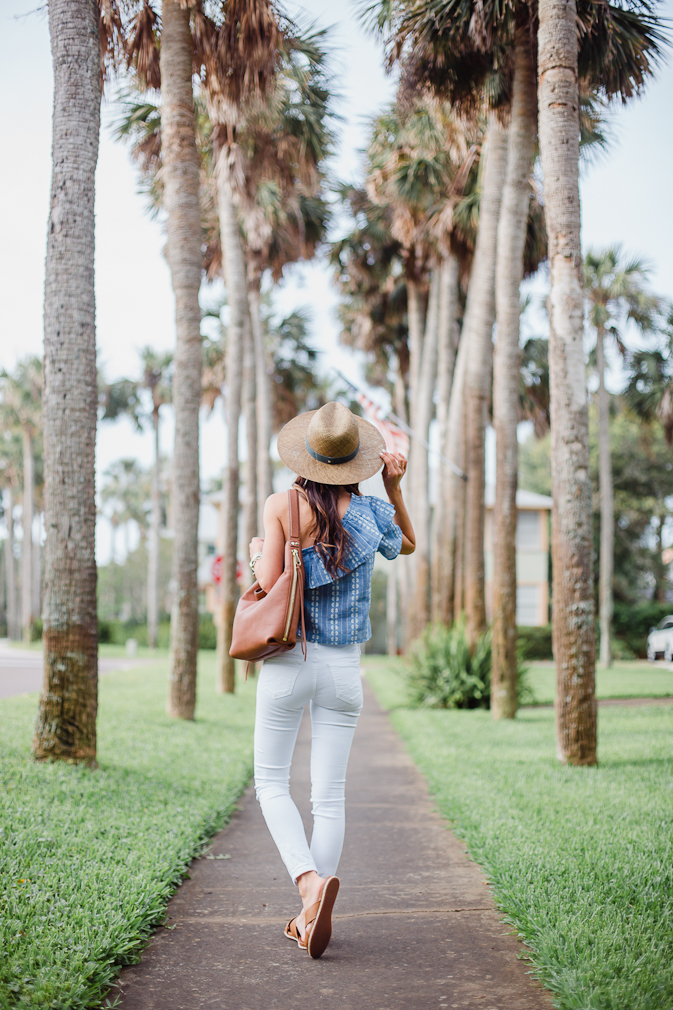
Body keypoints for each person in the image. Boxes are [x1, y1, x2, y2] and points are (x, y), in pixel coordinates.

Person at [248, 400, 415, 959]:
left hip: (291, 661)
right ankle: (309, 911)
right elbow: (407, 545)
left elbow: (271, 584)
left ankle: (309, 887)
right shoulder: (370, 515)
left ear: (307, 454)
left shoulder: (282, 505)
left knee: (271, 783)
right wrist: (393, 488)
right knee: (330, 796)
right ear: (355, 462)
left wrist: (256, 558)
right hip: (344, 668)